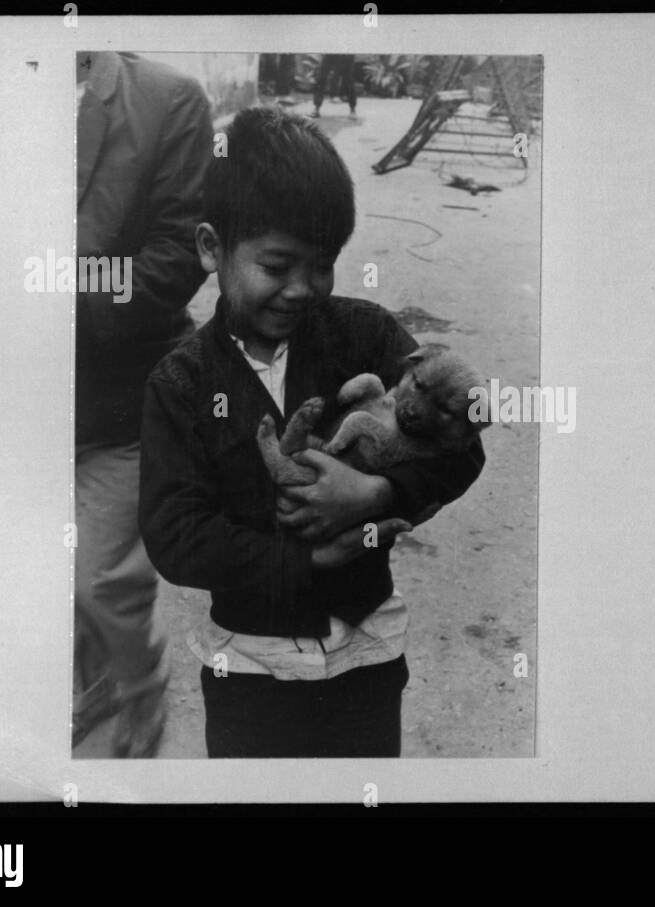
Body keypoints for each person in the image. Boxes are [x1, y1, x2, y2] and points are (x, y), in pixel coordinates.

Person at [138, 106, 484, 758]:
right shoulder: (180, 383)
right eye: (277, 265)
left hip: (366, 652)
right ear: (212, 247)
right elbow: (174, 535)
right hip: (248, 667)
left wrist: (378, 495)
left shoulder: (368, 336)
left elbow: (463, 449)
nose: (304, 288)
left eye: (321, 265)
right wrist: (304, 559)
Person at [74, 51, 213, 757]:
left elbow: (178, 256)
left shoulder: (168, 98)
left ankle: (139, 687)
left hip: (116, 405)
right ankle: (93, 680)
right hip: (5, 398)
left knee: (103, 578)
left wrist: (47, 287)